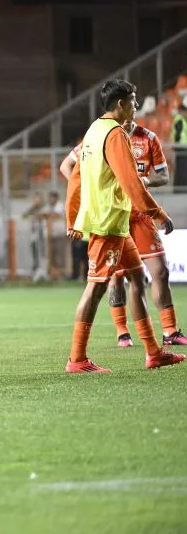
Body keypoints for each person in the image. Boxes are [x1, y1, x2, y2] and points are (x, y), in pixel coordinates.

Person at [63, 79, 183, 373]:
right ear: (120, 104)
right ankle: (77, 359)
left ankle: (154, 352)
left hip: (114, 223)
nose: (135, 106)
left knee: (136, 279)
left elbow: (76, 176)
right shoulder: (116, 135)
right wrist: (158, 214)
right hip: (108, 224)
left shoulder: (93, 130)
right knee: (95, 289)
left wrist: (73, 215)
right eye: (132, 101)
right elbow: (131, 182)